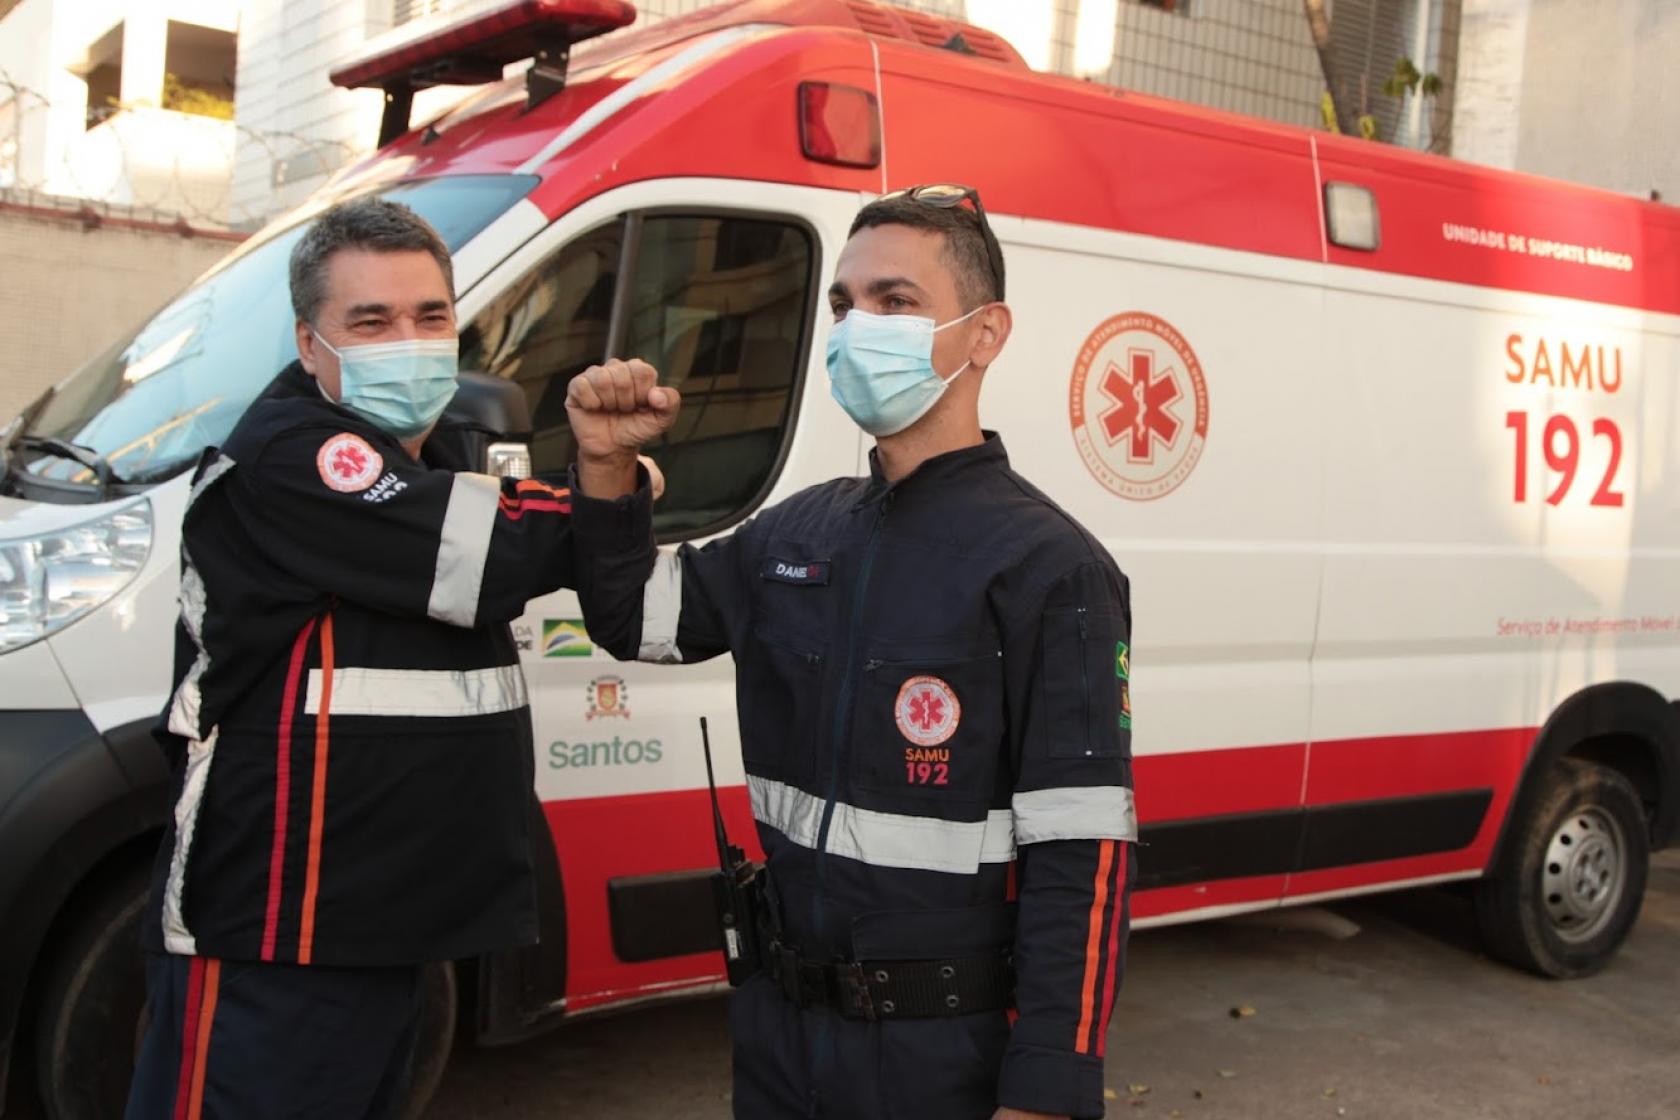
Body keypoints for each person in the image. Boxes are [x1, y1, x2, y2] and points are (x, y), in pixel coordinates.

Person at [565, 185, 1136, 1120]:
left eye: (895, 302)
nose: (855, 326)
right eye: (844, 304)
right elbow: (632, 616)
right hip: (780, 1039)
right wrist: (603, 468)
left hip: (937, 1062)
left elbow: (1084, 854)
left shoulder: (1049, 566)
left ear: (984, 334)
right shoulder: (798, 532)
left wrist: (1047, 1089)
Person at [125, 196, 677, 1119]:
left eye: (430, 317)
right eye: (370, 321)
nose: (408, 340)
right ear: (310, 346)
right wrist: (604, 480)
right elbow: (487, 553)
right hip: (278, 933)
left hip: (395, 925)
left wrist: (600, 486)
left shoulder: (441, 451)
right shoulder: (294, 455)